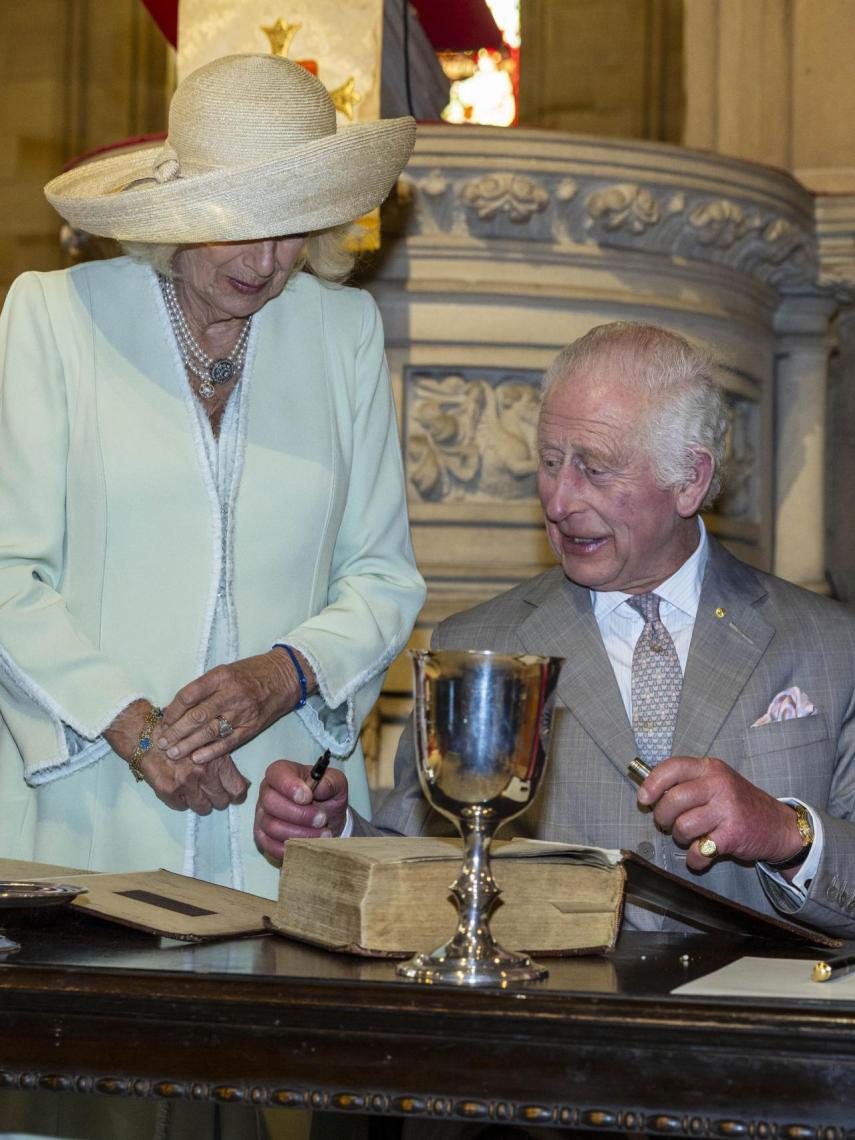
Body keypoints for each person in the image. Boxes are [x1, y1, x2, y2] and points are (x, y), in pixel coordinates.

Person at [256, 321, 855, 939]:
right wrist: (333, 832)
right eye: (549, 462)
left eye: (594, 469)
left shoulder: (831, 645)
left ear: (690, 480)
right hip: (547, 1020)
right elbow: (417, 855)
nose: (559, 500)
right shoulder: (478, 643)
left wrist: (788, 835)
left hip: (759, 1028)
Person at [0, 53, 426, 904]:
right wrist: (138, 731)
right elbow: (8, 572)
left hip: (281, 804)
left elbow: (383, 578)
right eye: (241, 221)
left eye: (293, 226)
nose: (267, 259)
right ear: (177, 210)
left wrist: (287, 673)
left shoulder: (342, 331)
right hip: (93, 792)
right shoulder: (56, 316)